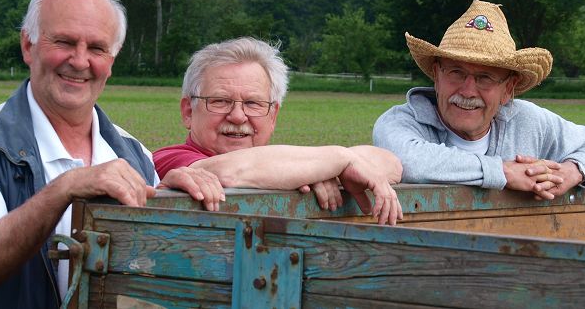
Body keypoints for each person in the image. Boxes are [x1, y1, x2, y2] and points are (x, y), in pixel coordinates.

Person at [0, 0, 211, 309]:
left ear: (111, 61)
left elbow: (153, 270)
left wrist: (171, 202)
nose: (80, 61)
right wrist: (64, 189)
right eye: (65, 42)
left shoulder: (134, 153)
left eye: (96, 48)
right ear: (28, 45)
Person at [373, 0, 585, 200]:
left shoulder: (529, 121)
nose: (468, 91)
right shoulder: (399, 122)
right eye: (456, 72)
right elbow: (407, 161)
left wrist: (571, 170)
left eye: (485, 78)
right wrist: (503, 172)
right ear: (437, 75)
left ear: (508, 89)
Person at [153, 37, 403, 225]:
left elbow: (390, 162)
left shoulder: (282, 163)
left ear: (273, 116)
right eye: (219, 101)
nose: (238, 116)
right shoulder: (167, 160)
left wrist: (323, 170)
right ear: (188, 111)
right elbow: (230, 172)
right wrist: (338, 162)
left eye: (253, 103)